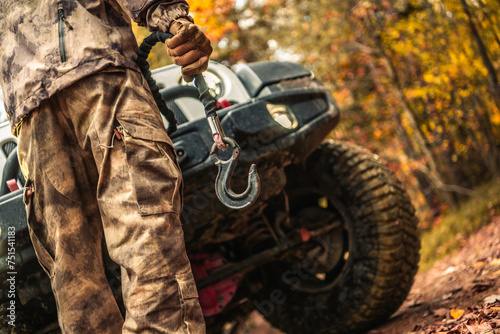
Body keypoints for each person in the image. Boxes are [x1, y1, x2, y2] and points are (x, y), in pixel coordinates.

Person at [0, 0, 212, 333]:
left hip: (101, 78)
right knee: (77, 280)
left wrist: (173, 20)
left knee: (145, 244)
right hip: (36, 111)